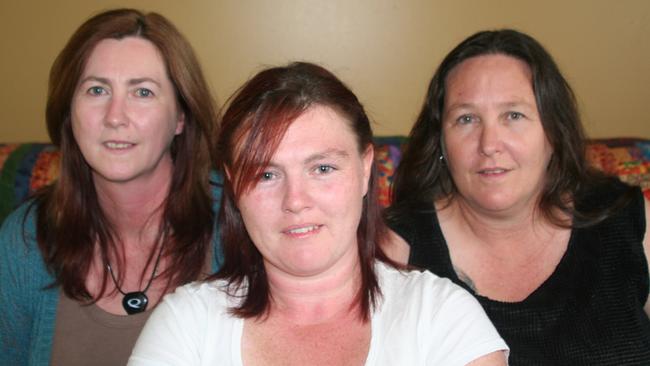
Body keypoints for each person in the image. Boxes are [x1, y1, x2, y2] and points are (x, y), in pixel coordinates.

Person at [129, 62, 508, 365]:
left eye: (322, 168)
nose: (295, 200)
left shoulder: (441, 317)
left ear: (364, 171)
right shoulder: (185, 325)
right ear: (233, 186)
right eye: (266, 174)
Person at [384, 29, 650, 365]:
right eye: (466, 119)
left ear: (553, 132)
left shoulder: (627, 220)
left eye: (513, 115)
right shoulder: (395, 252)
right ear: (441, 143)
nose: (489, 144)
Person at [0, 8, 222, 365]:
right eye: (97, 89)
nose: (115, 116)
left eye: (143, 92)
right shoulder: (24, 240)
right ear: (69, 114)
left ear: (181, 116)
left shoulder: (237, 223)